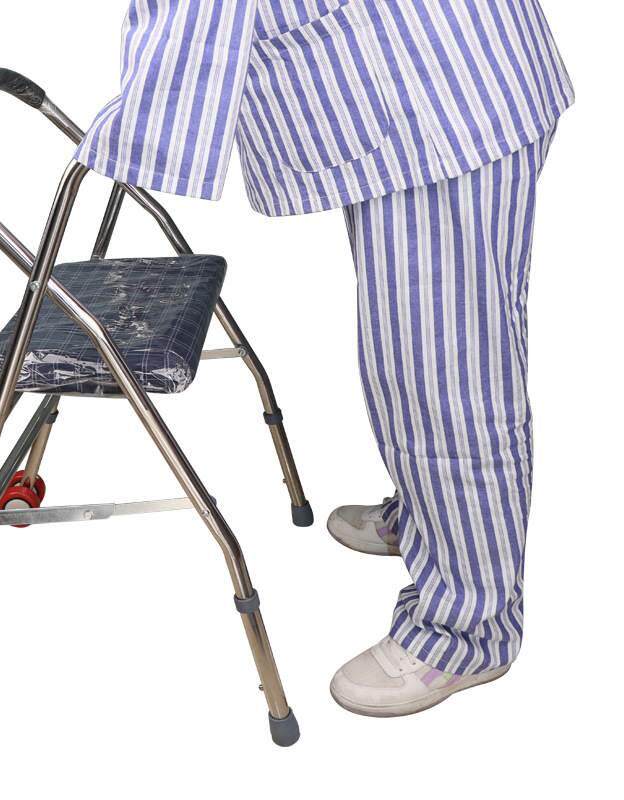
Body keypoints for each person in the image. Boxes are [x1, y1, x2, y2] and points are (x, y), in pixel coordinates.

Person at [75, 0, 574, 717]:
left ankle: (467, 629)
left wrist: (127, 134)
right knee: (429, 350)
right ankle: (434, 520)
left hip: (432, 99)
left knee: (443, 376)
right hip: (410, 92)